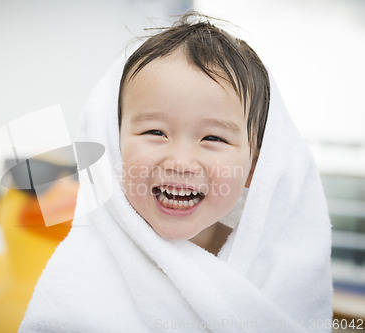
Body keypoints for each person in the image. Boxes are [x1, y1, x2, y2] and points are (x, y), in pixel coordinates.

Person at [20, 12, 333, 332]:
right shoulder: (81, 273)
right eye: (155, 132)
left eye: (213, 138)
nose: (180, 161)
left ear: (255, 168)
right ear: (114, 147)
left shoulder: (280, 271)